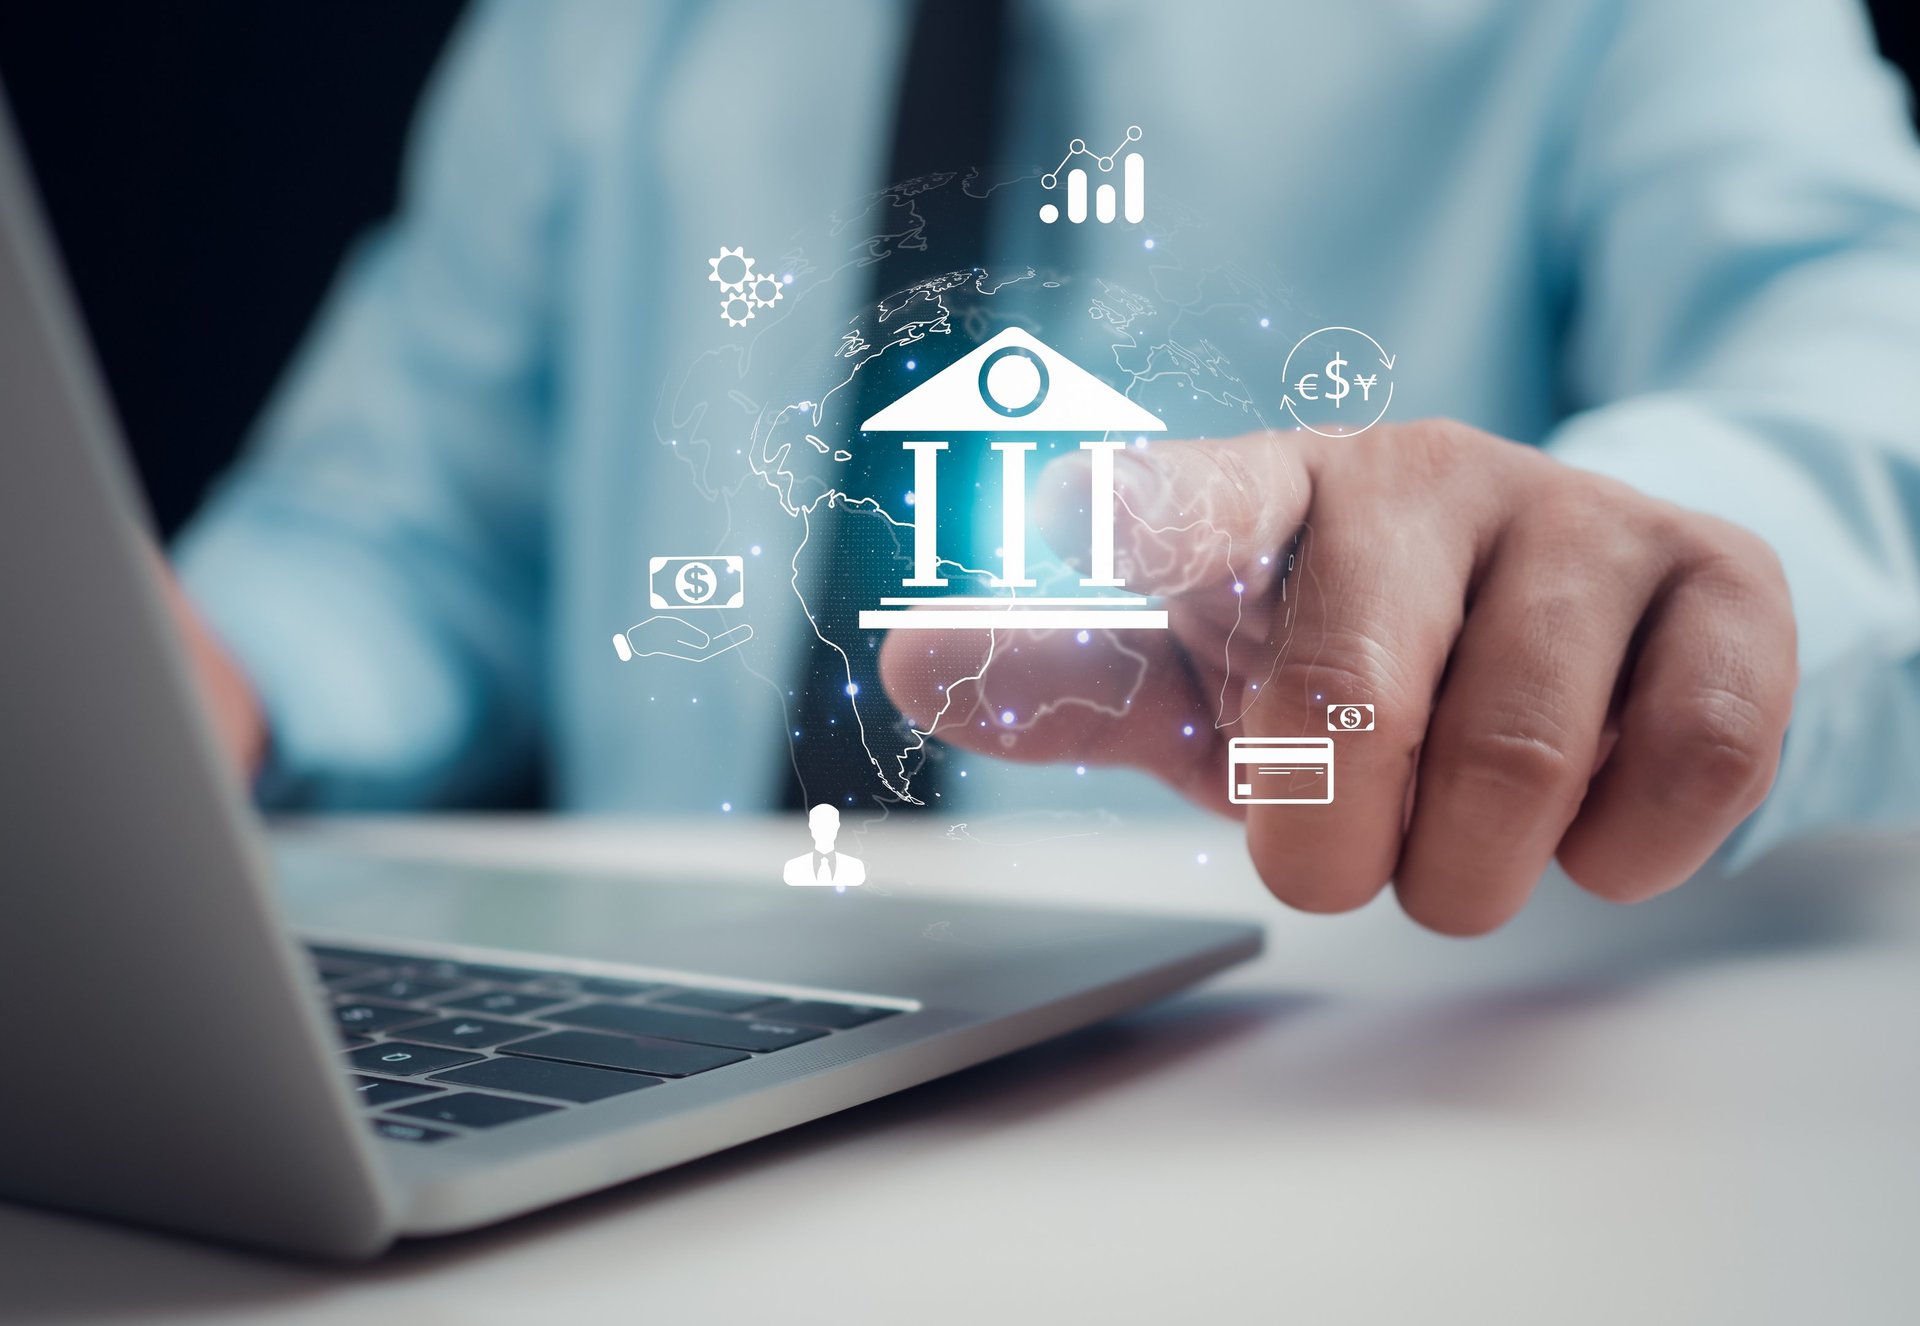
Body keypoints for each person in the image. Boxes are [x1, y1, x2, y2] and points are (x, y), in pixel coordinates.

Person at [165, 0, 1920, 934]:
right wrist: (181, 686)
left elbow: (1855, 365)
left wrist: (1633, 596)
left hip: (1320, 1059)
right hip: (649, 1028)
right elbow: (398, 524)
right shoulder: (598, 30)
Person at [783, 804, 867, 888]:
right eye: (819, 824)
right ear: (810, 826)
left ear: (837, 826)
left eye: (828, 824)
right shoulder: (793, 867)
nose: (824, 829)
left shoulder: (855, 867)